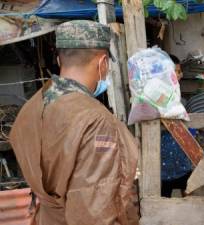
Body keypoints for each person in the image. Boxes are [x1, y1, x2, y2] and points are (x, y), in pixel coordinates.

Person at [10, 20, 139, 225]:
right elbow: (95, 210)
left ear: (60, 61)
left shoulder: (32, 108)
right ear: (103, 63)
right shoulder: (96, 121)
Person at [160, 54, 193, 197]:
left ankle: (188, 210)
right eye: (176, 71)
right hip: (164, 154)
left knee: (187, 185)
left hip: (180, 152)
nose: (180, 74)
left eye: (179, 71)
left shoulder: (179, 96)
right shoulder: (156, 94)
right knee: (163, 191)